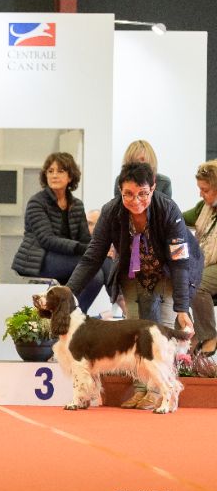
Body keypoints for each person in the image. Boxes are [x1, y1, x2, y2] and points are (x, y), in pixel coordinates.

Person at [68, 162, 201, 409]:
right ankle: (142, 389)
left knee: (159, 331)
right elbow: (92, 257)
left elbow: (180, 262)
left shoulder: (169, 210)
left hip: (170, 272)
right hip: (133, 273)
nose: (135, 200)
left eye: (142, 193)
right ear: (120, 190)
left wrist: (183, 308)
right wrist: (69, 291)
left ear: (152, 189)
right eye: (128, 194)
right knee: (134, 331)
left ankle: (159, 392)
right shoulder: (111, 212)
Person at [11, 152, 104, 312]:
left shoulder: (76, 204)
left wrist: (100, 251)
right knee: (93, 271)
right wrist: (83, 249)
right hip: (39, 258)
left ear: (70, 176)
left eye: (60, 171)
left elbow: (85, 238)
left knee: (106, 264)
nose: (54, 175)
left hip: (64, 258)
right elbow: (47, 239)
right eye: (50, 171)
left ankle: (75, 316)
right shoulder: (37, 202)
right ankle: (69, 319)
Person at [182, 159, 217, 357]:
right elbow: (178, 218)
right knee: (180, 279)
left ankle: (209, 336)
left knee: (198, 283)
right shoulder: (202, 208)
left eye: (205, 190)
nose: (200, 194)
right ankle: (193, 334)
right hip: (208, 263)